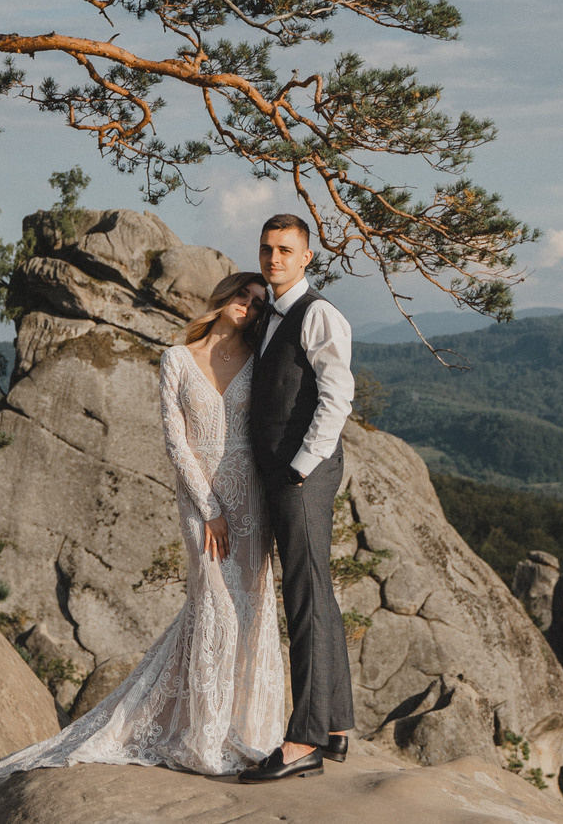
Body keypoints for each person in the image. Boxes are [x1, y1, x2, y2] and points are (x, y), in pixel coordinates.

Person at [0, 270, 288, 782]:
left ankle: (247, 729)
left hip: (250, 495)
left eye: (259, 304)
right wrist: (210, 508)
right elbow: (175, 442)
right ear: (224, 296)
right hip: (201, 499)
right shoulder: (177, 359)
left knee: (250, 609)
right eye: (244, 295)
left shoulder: (258, 361)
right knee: (214, 604)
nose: (249, 306)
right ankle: (205, 736)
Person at [239, 212, 356, 784]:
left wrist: (300, 468)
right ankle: (334, 725)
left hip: (302, 477)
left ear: (307, 257)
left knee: (303, 600)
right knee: (317, 594)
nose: (274, 258)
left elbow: (337, 397)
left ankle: (303, 740)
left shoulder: (318, 314)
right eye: (267, 248)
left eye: (286, 249)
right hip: (287, 473)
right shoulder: (270, 314)